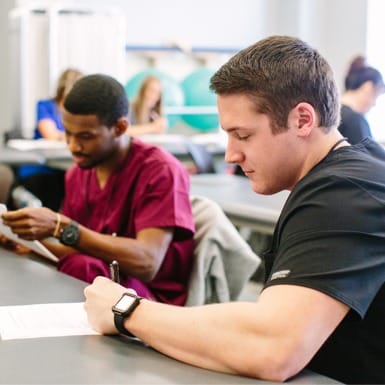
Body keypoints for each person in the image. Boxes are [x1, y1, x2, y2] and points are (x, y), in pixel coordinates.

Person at [83, 36, 385, 384]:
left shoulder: (343, 193)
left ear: (302, 120)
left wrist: (126, 310)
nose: (230, 155)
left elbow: (272, 348)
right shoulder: (350, 173)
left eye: (242, 135)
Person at [1, 74, 195, 306]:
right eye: (68, 134)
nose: (73, 146)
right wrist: (32, 249)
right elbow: (80, 251)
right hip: (99, 288)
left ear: (120, 127)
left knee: (81, 269)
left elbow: (147, 262)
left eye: (85, 137)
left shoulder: (161, 171)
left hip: (151, 301)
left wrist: (60, 227)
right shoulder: (78, 174)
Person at [15, 68, 84, 211]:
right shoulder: (45, 105)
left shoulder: (81, 111)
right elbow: (50, 134)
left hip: (65, 169)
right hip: (41, 168)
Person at [338, 55, 385, 144]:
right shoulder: (355, 121)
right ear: (368, 88)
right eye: (376, 96)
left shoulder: (329, 115)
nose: (374, 104)